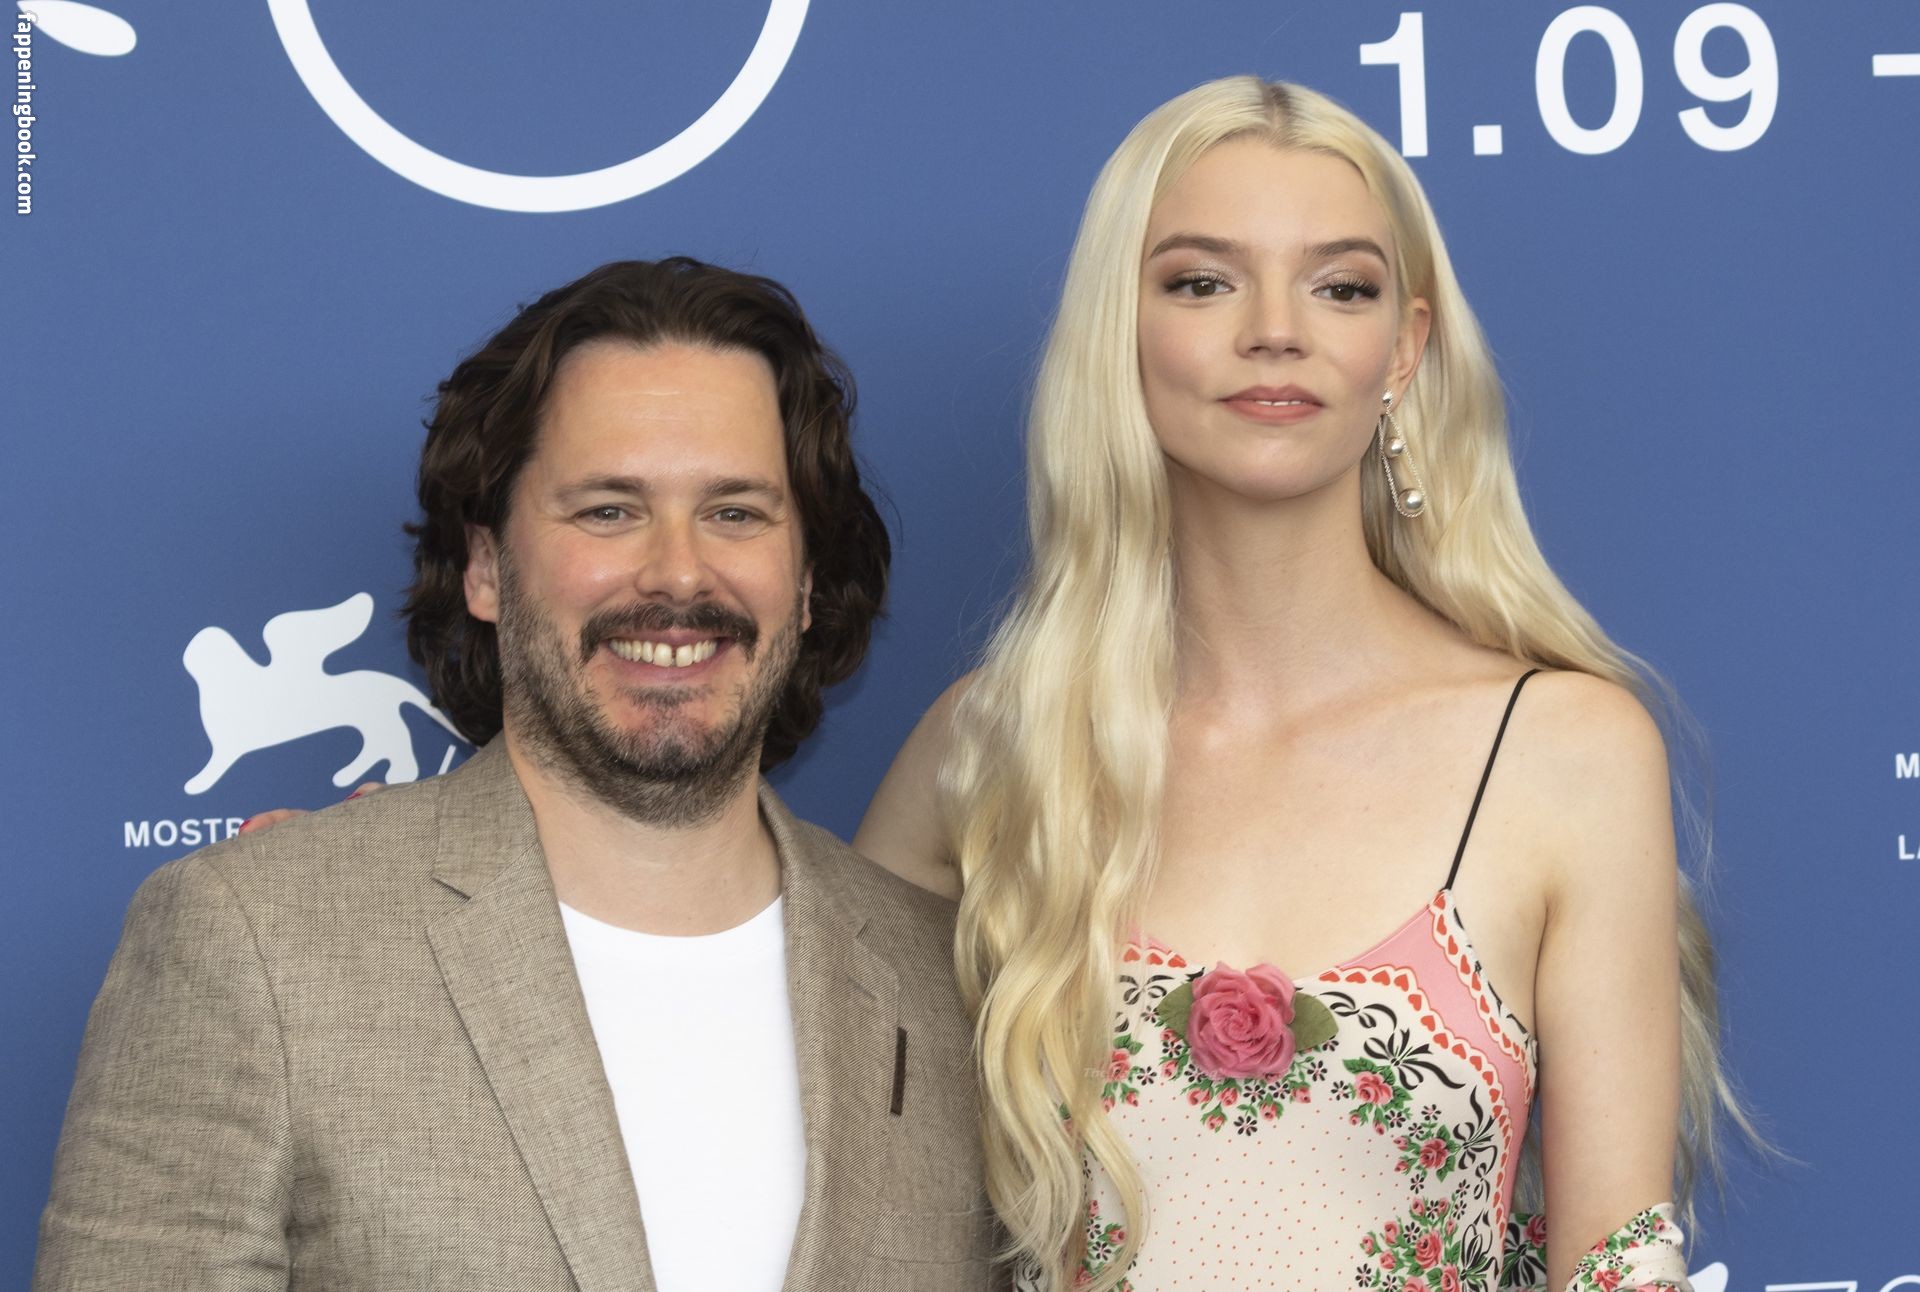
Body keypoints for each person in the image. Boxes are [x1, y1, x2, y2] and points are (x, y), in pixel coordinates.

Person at [855, 78, 1749, 1292]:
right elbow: (851, 1193)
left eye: (1341, 286)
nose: (1276, 330)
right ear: (1118, 331)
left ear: (1405, 349)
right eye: (1201, 281)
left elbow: (1615, 1257)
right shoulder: (988, 747)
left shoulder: (1566, 752)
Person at [34, 259, 997, 1292]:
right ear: (487, 567)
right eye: (609, 511)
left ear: (805, 581)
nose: (678, 572)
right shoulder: (255, 942)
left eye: (735, 513)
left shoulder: (959, 987)